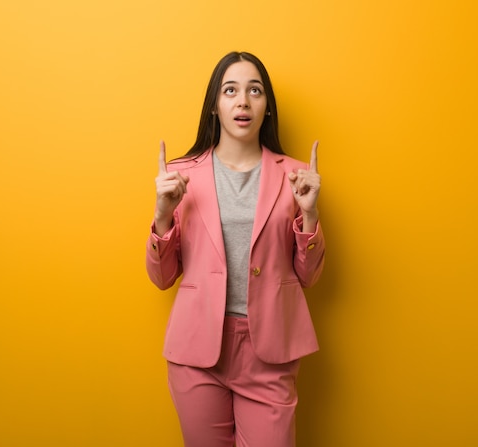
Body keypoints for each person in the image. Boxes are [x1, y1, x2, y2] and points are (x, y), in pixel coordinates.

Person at [145, 51, 325, 447]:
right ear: (215, 106)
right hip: (197, 351)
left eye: (254, 91)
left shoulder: (295, 176)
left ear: (267, 108)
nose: (243, 100)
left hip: (269, 350)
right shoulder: (181, 175)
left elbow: (309, 276)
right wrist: (162, 216)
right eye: (231, 90)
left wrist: (309, 216)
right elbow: (162, 278)